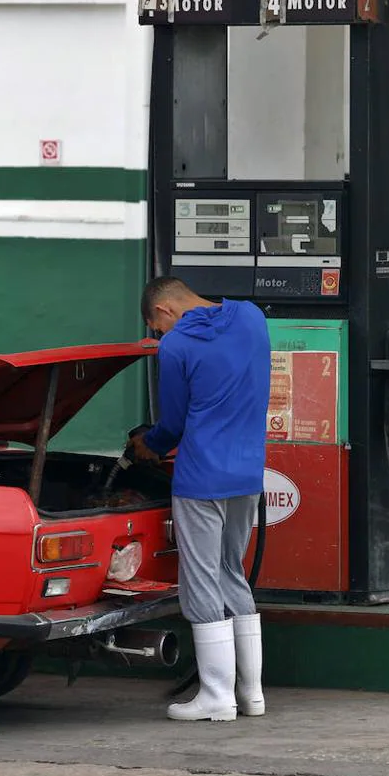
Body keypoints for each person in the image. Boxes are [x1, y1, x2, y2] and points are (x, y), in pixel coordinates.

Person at [129, 276, 271, 722]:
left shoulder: (176, 347)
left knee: (202, 578)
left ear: (164, 311)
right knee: (233, 571)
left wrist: (146, 445)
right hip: (247, 473)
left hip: (200, 478)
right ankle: (251, 694)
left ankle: (215, 696)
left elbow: (172, 423)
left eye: (156, 327)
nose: (159, 336)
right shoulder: (252, 317)